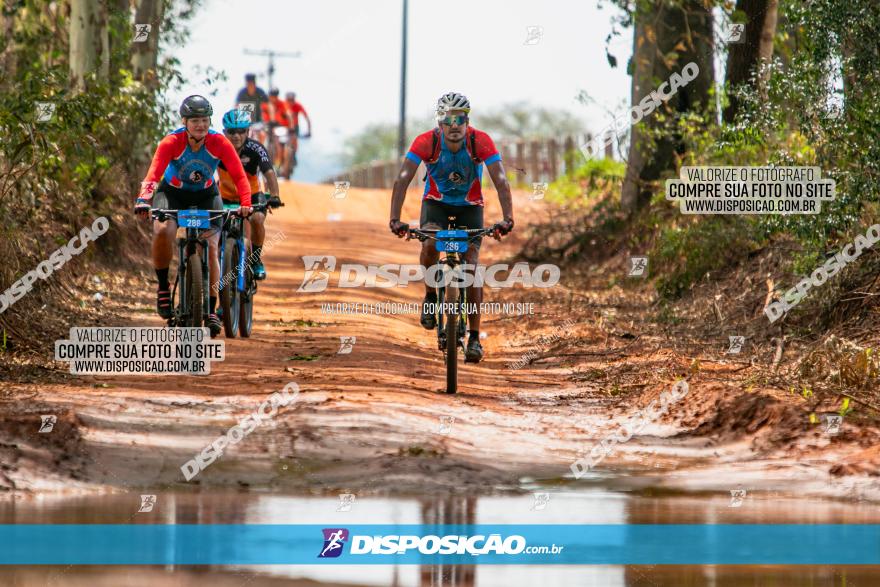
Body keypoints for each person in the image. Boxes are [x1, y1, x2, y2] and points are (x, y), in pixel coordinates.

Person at [388, 92, 514, 363]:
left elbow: (501, 179)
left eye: (460, 119)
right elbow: (402, 178)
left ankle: (475, 338)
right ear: (439, 121)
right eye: (448, 119)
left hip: (470, 207)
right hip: (436, 204)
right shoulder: (426, 141)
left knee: (471, 266)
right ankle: (431, 296)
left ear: (467, 120)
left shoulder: (480, 141)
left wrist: (508, 218)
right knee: (430, 244)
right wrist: (395, 219)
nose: (454, 125)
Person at [134, 95, 252, 337]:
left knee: (211, 243)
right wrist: (143, 199)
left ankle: (210, 308)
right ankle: (164, 286)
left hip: (206, 195)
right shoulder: (171, 142)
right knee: (163, 230)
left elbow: (240, 176)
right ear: (184, 121)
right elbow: (153, 175)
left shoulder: (219, 142)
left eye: (205, 120)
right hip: (173, 193)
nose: (200, 125)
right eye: (195, 120)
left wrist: (246, 204)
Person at [217, 109, 283, 281]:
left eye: (241, 131)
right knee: (213, 235)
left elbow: (269, 172)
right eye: (231, 132)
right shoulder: (216, 148)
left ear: (248, 132)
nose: (236, 136)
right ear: (225, 132)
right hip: (224, 196)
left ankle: (255, 260)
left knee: (257, 219)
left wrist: (274, 196)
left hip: (253, 196)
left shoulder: (256, 149)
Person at [284, 91, 311, 177]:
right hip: (284, 126)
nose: (291, 102)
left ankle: (293, 155)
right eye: (289, 100)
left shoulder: (298, 106)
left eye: (292, 100)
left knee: (294, 141)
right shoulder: (283, 105)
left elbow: (306, 118)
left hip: (295, 128)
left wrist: (309, 131)